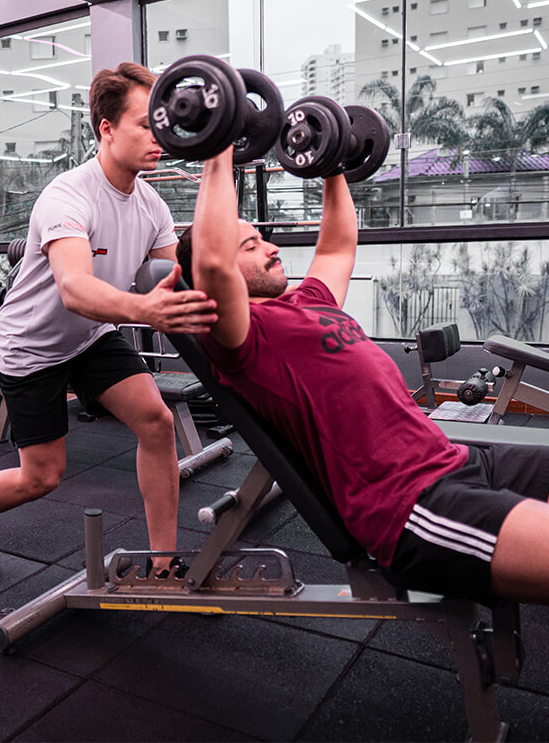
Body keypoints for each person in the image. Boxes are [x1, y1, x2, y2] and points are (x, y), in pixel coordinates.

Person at [177, 144, 549, 607]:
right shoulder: (241, 339)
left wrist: (330, 161)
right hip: (412, 505)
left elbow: (336, 245)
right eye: (250, 245)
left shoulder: (307, 300)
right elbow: (211, 261)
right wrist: (218, 151)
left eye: (261, 237)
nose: (272, 246)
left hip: (460, 460)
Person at [0, 62, 217, 575]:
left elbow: (173, 278)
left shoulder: (152, 204)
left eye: (162, 125)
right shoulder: (67, 195)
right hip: (31, 346)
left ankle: (163, 565)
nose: (158, 136)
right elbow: (75, 288)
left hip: (92, 337)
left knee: (157, 422)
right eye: (145, 124)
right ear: (107, 128)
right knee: (42, 477)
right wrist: (146, 310)